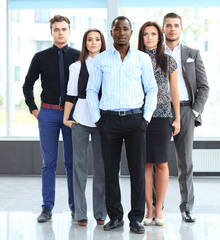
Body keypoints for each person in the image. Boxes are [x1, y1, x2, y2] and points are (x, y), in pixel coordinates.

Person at [86, 16, 158, 234]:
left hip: (136, 120)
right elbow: (91, 90)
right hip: (108, 121)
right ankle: (115, 217)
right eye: (117, 29)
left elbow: (151, 90)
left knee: (137, 171)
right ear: (112, 33)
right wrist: (98, 119)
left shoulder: (142, 59)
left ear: (131, 31)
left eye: (125, 28)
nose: (121, 32)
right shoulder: (101, 59)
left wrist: (145, 118)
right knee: (110, 172)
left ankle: (136, 218)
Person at [23, 15, 80, 223]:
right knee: (49, 163)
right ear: (51, 32)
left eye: (64, 29)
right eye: (57, 29)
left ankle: (76, 207)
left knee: (72, 162)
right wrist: (34, 110)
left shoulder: (78, 55)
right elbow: (27, 84)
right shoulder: (40, 57)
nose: (61, 32)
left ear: (69, 31)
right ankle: (47, 208)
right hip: (47, 113)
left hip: (72, 115)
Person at [162, 12, 209, 222]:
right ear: (163, 29)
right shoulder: (153, 53)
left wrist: (193, 112)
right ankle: (156, 207)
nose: (172, 29)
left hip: (186, 111)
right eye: (168, 25)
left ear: (181, 29)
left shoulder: (193, 53)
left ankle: (187, 207)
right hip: (160, 111)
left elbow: (204, 87)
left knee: (186, 163)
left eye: (176, 25)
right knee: (157, 162)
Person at [63, 29, 107, 226]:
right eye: (90, 39)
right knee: (79, 167)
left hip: (103, 121)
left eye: (97, 39)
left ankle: (100, 213)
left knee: (101, 167)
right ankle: (80, 213)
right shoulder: (76, 66)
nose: (93, 42)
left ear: (102, 42)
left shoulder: (109, 64)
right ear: (85, 43)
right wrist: (66, 118)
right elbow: (71, 94)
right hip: (80, 119)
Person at [138, 21, 180, 226]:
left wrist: (177, 118)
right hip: (140, 116)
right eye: (145, 34)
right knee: (145, 163)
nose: (149, 37)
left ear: (159, 36)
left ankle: (160, 208)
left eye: (153, 34)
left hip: (163, 116)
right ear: (141, 37)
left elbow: (174, 92)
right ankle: (149, 209)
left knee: (162, 163)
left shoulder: (168, 61)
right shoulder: (134, 58)